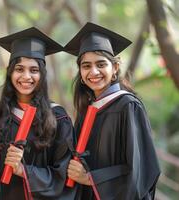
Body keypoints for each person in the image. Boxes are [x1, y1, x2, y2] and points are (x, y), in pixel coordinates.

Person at [64, 22, 160, 199]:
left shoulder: (128, 106)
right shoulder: (87, 110)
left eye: (101, 64)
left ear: (115, 68)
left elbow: (140, 171)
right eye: (86, 66)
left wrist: (90, 178)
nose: (94, 71)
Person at [0, 27, 77, 200]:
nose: (26, 76)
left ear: (42, 74)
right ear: (10, 73)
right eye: (19, 69)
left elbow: (64, 174)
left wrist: (24, 171)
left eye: (34, 70)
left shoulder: (58, 118)